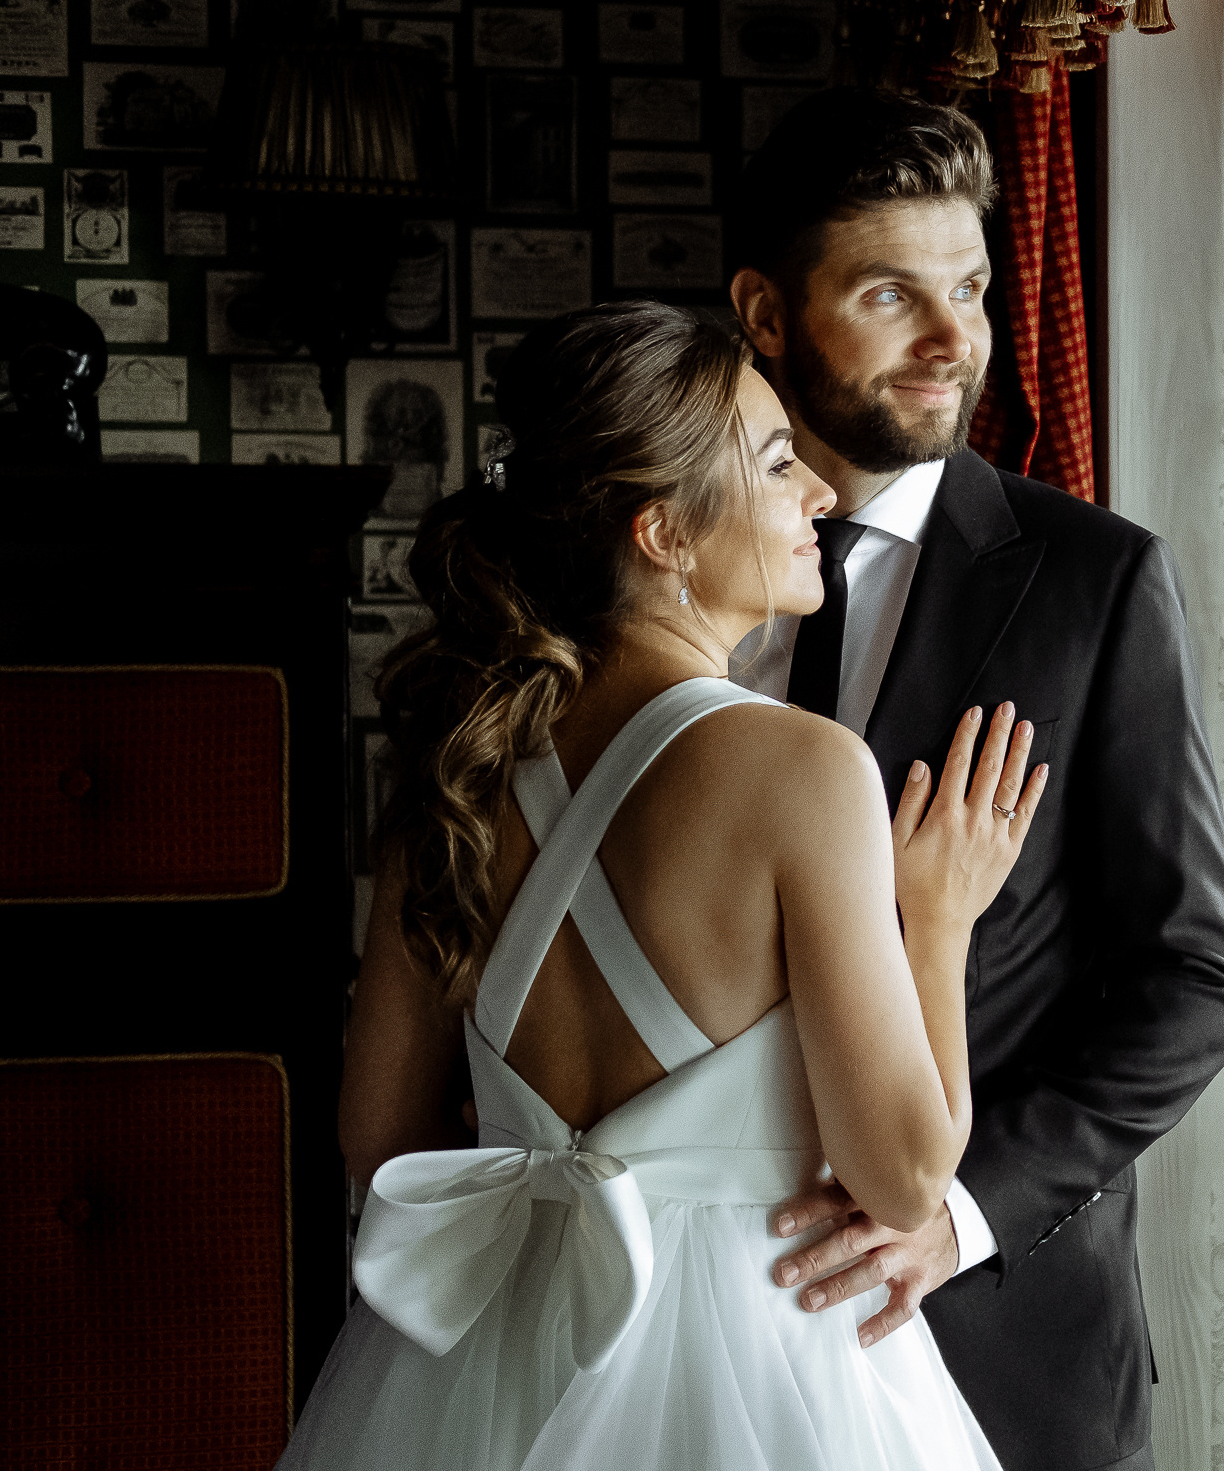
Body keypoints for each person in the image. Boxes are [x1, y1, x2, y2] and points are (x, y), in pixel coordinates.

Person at [278, 301, 1043, 1469]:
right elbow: (904, 1175)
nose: (822, 497)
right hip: (767, 1343)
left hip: (493, 1350)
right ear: (664, 533)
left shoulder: (458, 763)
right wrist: (934, 920)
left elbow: (380, 1137)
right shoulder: (806, 769)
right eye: (780, 462)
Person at [727, 87, 1224, 1471]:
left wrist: (953, 1215)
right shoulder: (668, 584)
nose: (955, 338)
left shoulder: (1097, 585)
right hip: (702, 1317)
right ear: (768, 315)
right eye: (892, 293)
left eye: (968, 285)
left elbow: (1198, 980)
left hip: (1003, 1351)